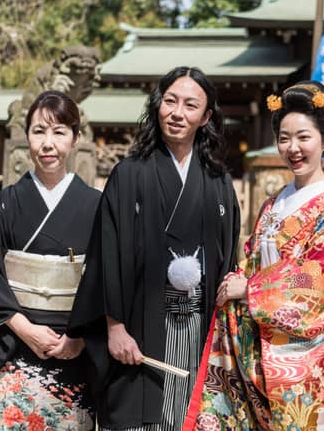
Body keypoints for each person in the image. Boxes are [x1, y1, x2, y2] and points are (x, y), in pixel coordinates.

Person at [183, 81, 324, 430]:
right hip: (257, 340)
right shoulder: (276, 202)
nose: (293, 148)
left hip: (302, 353)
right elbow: (254, 259)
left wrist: (251, 289)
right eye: (284, 138)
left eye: (304, 137)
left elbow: (320, 278)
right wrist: (237, 279)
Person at [68, 67, 240, 429]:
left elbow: (227, 257)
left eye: (190, 105)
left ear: (205, 116)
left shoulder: (218, 182)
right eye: (170, 101)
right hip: (139, 325)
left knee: (190, 417)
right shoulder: (129, 174)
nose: (178, 113)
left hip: (198, 322)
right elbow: (107, 256)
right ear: (157, 104)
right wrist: (115, 328)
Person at [0, 90, 100, 429]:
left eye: (59, 132)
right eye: (39, 131)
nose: (48, 143)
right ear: (27, 136)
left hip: (76, 348)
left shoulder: (97, 205)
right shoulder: (4, 204)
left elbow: (105, 278)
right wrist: (25, 329)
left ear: (76, 138)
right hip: (16, 347)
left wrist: (79, 337)